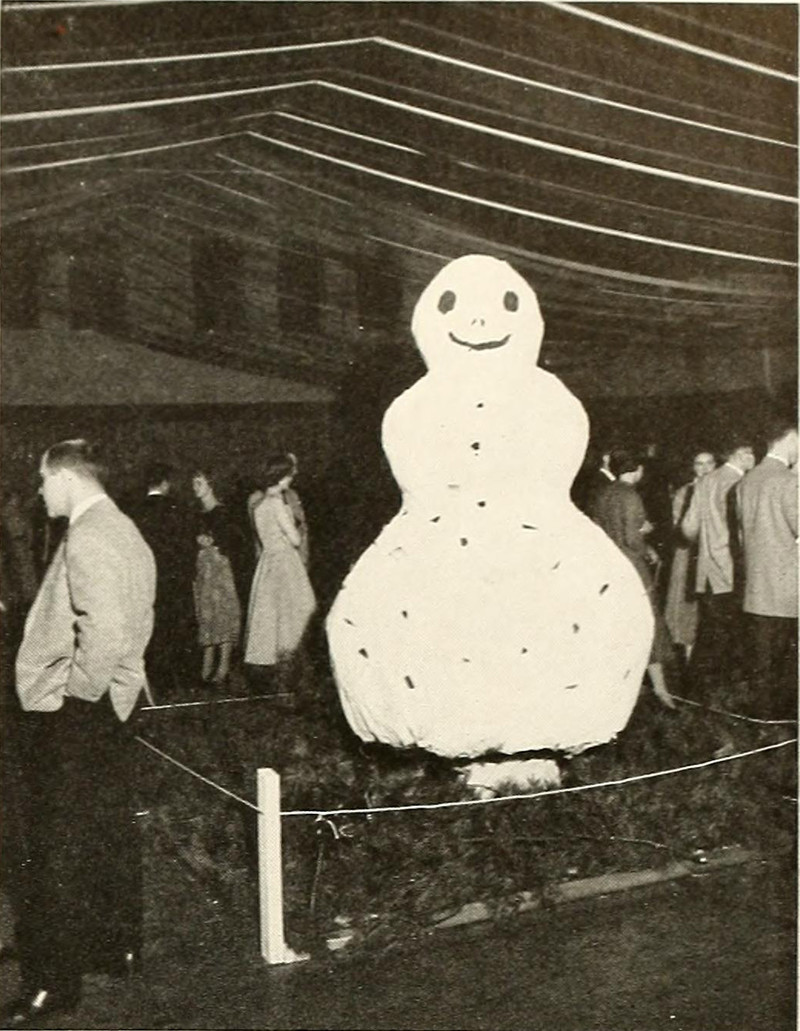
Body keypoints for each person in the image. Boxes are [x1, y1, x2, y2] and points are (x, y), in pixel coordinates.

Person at [6, 439, 156, 1028]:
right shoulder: (125, 528)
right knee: (105, 830)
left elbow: (105, 630)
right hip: (117, 705)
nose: (40, 492)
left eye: (44, 480)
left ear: (65, 476)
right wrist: (113, 691)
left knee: (52, 848)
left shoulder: (87, 535)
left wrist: (77, 700)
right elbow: (139, 619)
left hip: (81, 711)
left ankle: (52, 982)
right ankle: (116, 947)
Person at [590, 448, 675, 709]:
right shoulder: (630, 495)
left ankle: (623, 686)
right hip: (633, 568)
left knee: (619, 624)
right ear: (637, 470)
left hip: (609, 566)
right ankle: (661, 690)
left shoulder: (603, 493)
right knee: (649, 623)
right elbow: (631, 539)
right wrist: (645, 535)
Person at [681, 435, 755, 717]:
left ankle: (695, 694)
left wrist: (706, 541)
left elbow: (688, 528)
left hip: (707, 572)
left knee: (709, 632)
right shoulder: (740, 483)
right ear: (740, 454)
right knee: (731, 636)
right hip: (732, 572)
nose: (754, 459)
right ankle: (722, 700)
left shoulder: (704, 482)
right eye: (751, 454)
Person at [738, 422, 798, 719]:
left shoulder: (746, 481)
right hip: (788, 588)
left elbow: (743, 536)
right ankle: (783, 722)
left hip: (757, 587)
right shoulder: (788, 481)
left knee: (763, 663)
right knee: (786, 664)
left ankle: (762, 721)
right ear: (790, 439)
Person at [244, 454, 316, 678]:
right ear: (281, 476)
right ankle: (291, 664)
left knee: (272, 614)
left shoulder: (258, 505)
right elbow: (295, 539)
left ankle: (277, 667)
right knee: (299, 610)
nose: (291, 479)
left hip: (267, 562)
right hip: (285, 561)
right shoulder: (277, 504)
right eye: (289, 475)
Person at [129, 462, 195, 699]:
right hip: (174, 578)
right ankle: (181, 680)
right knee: (177, 627)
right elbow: (187, 545)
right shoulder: (178, 508)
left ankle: (157, 680)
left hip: (147, 579)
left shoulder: (135, 512)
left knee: (153, 629)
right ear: (166, 483)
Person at [664, 450, 717, 661]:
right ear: (693, 468)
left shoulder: (722, 488)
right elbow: (680, 526)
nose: (704, 469)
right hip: (688, 554)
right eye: (699, 464)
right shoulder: (684, 492)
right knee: (687, 605)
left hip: (714, 554)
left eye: (709, 463)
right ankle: (687, 652)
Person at [192, 469, 243, 684]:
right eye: (193, 484)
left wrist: (215, 542)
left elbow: (235, 541)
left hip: (220, 568)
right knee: (206, 613)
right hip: (203, 568)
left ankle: (223, 666)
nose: (195, 488)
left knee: (223, 611)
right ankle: (207, 662)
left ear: (211, 485)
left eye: (199, 483)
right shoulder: (197, 513)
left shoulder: (223, 511)